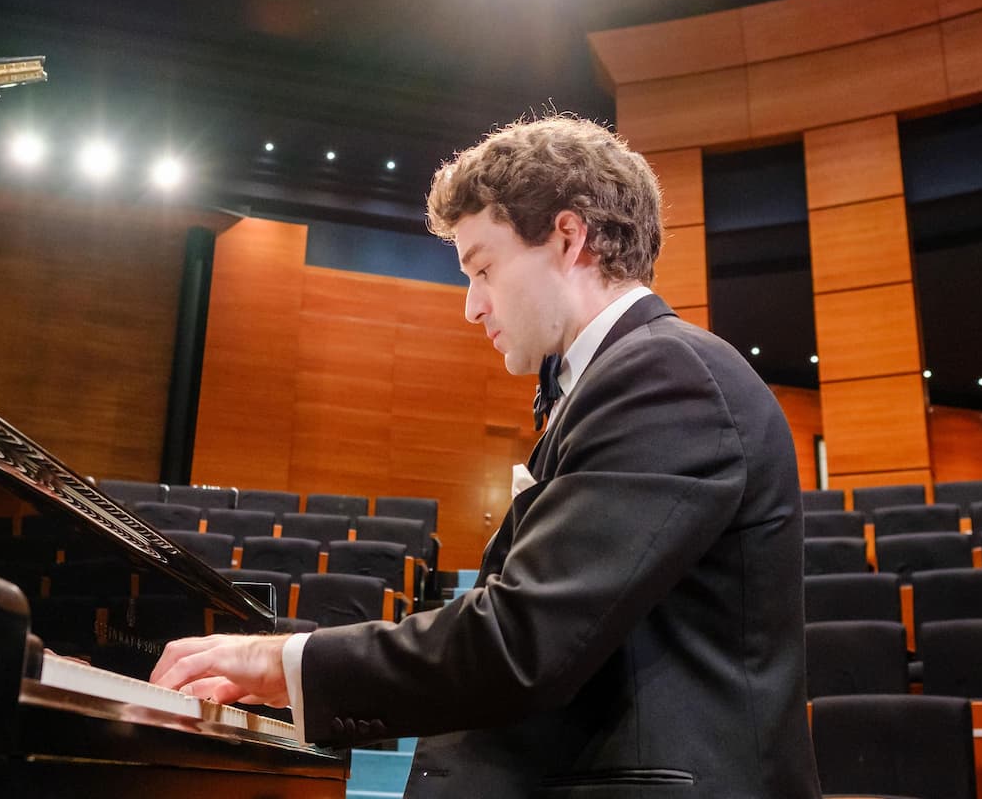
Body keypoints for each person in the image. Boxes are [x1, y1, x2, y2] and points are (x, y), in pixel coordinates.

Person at [152, 116, 819, 798]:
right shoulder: (624, 378)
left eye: (483, 268)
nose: (473, 307)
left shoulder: (666, 374)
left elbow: (523, 643)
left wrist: (282, 662)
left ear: (569, 237)